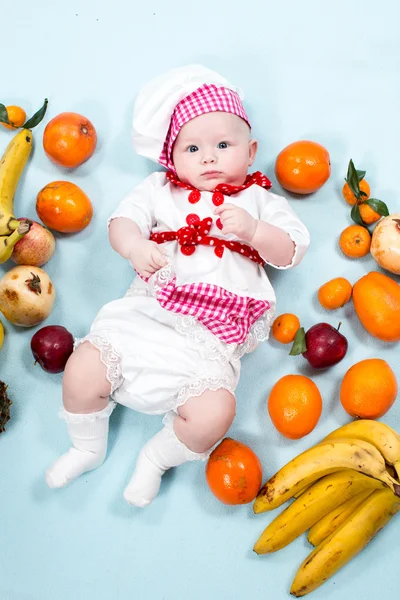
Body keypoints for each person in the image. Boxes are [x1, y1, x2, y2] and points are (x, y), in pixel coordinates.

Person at [46, 65, 310, 507]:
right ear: (171, 159)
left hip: (212, 337)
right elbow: (121, 222)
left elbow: (292, 251)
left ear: (251, 151)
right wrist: (133, 247)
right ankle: (85, 447)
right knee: (83, 368)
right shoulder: (158, 189)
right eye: (192, 148)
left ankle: (155, 459)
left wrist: (253, 231)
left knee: (216, 412)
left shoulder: (261, 200)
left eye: (223, 145)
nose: (208, 158)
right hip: (152, 312)